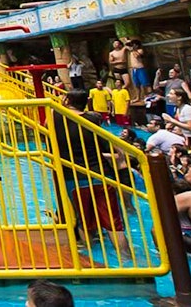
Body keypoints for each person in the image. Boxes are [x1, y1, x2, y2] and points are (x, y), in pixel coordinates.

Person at [52, 89, 130, 259]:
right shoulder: (93, 120)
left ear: (66, 100)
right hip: (101, 175)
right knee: (114, 224)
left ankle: (92, 259)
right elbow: (114, 150)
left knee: (83, 222)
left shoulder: (55, 115)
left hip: (74, 177)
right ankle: (128, 259)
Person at [163, 88, 191, 153]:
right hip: (188, 138)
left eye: (171, 94)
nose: (168, 95)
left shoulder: (187, 109)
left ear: (179, 97)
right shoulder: (177, 108)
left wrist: (172, 121)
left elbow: (190, 127)